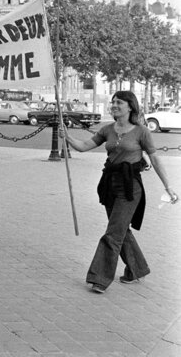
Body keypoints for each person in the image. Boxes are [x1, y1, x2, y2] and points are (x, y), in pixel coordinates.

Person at [61, 91, 177, 294]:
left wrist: (168, 186)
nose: (114, 105)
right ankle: (137, 269)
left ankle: (99, 278)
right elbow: (84, 146)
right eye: (113, 102)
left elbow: (155, 159)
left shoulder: (141, 131)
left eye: (119, 102)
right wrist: (68, 137)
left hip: (130, 187)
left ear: (130, 106)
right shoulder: (107, 129)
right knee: (121, 229)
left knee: (113, 233)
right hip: (109, 184)